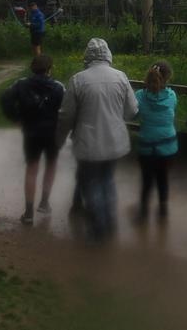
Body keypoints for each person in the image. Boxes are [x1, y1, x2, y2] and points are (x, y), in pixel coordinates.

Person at [56, 38, 138, 241]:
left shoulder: (78, 80)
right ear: (108, 54)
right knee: (107, 180)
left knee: (92, 184)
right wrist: (115, 116)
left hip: (88, 144)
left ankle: (99, 227)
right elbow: (132, 110)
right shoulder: (121, 77)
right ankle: (110, 222)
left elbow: (66, 116)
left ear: (88, 56)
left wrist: (59, 140)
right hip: (115, 142)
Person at [4, 54, 65, 226]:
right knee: (51, 165)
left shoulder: (21, 84)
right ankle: (44, 202)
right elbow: (66, 108)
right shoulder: (58, 87)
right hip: (52, 132)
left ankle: (29, 212)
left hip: (31, 131)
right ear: (49, 69)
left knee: (32, 168)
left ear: (33, 68)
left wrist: (16, 118)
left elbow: (5, 99)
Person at [133, 60, 178, 222]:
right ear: (168, 77)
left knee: (147, 180)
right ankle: (163, 209)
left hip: (147, 145)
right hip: (168, 146)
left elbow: (134, 114)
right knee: (163, 178)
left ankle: (143, 211)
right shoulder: (172, 96)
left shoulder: (140, 96)